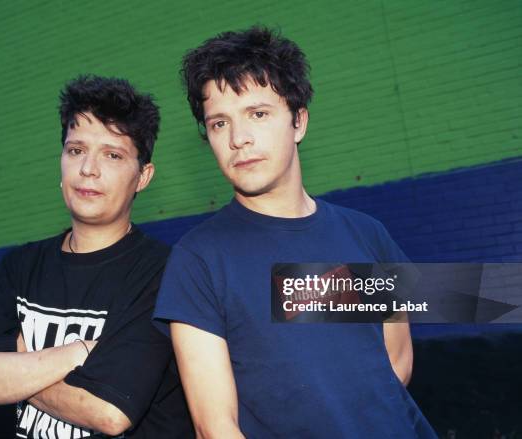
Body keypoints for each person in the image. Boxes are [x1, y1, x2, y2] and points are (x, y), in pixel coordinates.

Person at [153, 27, 437, 438]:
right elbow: (215, 426)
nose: (239, 139)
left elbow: (397, 363)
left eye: (258, 114)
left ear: (298, 121)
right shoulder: (198, 259)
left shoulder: (366, 234)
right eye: (219, 123)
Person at [0, 75, 193, 438]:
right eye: (76, 150)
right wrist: (77, 352)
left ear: (143, 176)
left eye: (112, 155)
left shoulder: (166, 273)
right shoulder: (19, 268)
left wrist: (19, 363)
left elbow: (110, 411)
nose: (88, 169)